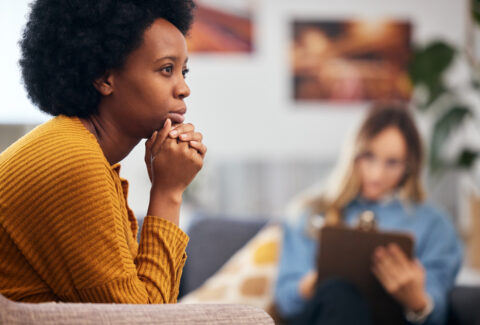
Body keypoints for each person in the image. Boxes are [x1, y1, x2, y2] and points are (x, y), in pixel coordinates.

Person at [0, 0, 207, 304]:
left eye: (183, 72)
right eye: (166, 69)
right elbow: (143, 320)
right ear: (104, 78)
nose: (183, 88)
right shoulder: (73, 162)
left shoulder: (78, 150)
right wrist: (168, 192)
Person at [274, 103, 463, 325]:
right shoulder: (310, 212)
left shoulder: (435, 224)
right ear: (352, 154)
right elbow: (286, 302)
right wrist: (323, 276)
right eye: (368, 157)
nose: (376, 174)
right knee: (339, 294)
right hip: (328, 314)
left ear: (410, 166)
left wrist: (417, 301)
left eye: (392, 162)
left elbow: (437, 313)